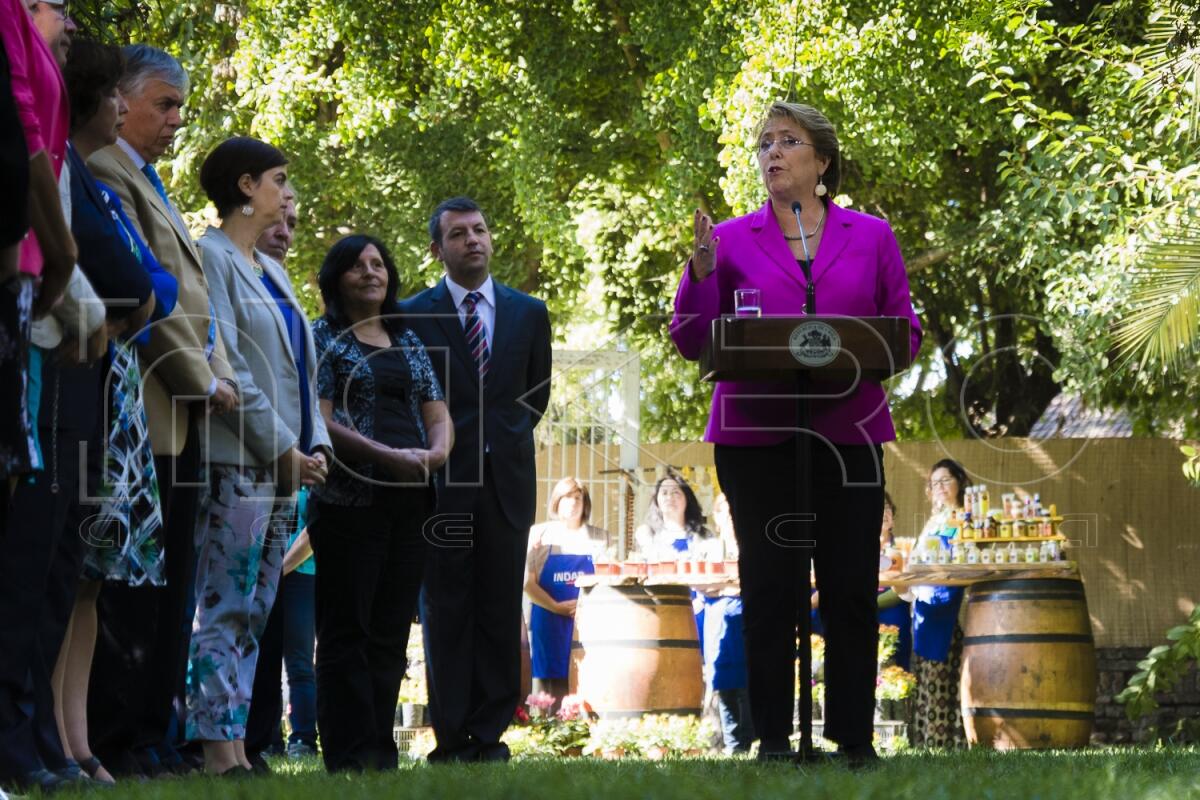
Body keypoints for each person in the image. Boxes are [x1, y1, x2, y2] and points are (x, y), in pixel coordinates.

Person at [670, 101, 922, 764]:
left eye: (788, 141)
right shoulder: (725, 240)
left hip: (849, 431)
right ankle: (774, 737)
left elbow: (906, 332)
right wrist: (698, 274)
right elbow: (691, 337)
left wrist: (868, 348)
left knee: (848, 584)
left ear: (823, 160)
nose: (772, 153)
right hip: (756, 437)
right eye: (764, 143)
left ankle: (854, 737)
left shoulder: (871, 236)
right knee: (770, 584)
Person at [86, 43, 239, 779]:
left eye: (180, 106)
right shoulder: (106, 170)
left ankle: (151, 731)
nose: (176, 120)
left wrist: (213, 373)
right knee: (131, 586)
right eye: (164, 104)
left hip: (183, 411)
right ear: (119, 97)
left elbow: (197, 303)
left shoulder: (147, 177)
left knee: (171, 583)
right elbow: (150, 301)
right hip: (150, 403)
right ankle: (120, 734)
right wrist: (199, 380)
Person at [46, 37, 177, 789]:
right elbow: (133, 281)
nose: (125, 109)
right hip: (93, 383)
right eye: (119, 98)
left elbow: (152, 286)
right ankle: (55, 741)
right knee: (66, 576)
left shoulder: (106, 181)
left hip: (117, 388)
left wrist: (142, 294)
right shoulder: (88, 173)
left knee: (90, 578)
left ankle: (78, 740)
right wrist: (140, 295)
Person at [188, 135, 330, 776]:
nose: (286, 192)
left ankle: (238, 741)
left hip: (282, 467)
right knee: (227, 602)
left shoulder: (269, 268)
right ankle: (217, 748)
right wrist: (282, 449)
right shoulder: (211, 256)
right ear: (246, 187)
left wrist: (315, 447)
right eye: (277, 179)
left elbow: (300, 366)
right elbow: (230, 364)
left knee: (258, 607)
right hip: (239, 463)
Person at [399, 196, 552, 763]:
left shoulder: (528, 312)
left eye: (480, 230)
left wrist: (501, 440)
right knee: (445, 607)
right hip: (442, 486)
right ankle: (451, 733)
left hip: (507, 482)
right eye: (459, 233)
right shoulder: (413, 314)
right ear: (438, 249)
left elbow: (536, 396)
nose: (474, 240)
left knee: (496, 607)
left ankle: (488, 735)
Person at [309, 234, 452, 772]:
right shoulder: (323, 338)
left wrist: (434, 454)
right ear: (337, 279)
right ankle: (346, 756)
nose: (371, 273)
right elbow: (320, 419)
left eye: (378, 264)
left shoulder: (408, 339)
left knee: (391, 631)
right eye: (357, 266)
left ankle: (379, 752)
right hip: (349, 499)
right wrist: (385, 454)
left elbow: (438, 412)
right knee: (348, 630)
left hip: (409, 502)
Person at [244, 195, 320, 764]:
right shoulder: (232, 272)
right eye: (279, 221)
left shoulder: (286, 294)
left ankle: (277, 737)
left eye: (293, 225)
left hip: (297, 549)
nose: (286, 233)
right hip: (247, 469)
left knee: (293, 652)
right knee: (242, 626)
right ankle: (238, 741)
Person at [880, 460, 967, 748]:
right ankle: (924, 743)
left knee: (940, 678)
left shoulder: (959, 519)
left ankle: (940, 744)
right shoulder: (934, 521)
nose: (940, 487)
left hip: (943, 606)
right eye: (934, 483)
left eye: (946, 480)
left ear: (959, 484)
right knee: (925, 680)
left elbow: (951, 559)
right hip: (923, 608)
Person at [524, 477, 612, 706]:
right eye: (566, 498)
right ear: (556, 502)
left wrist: (582, 609)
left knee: (586, 684)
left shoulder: (600, 538)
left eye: (577, 497)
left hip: (586, 624)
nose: (572, 503)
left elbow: (607, 579)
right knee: (549, 693)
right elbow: (527, 583)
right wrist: (555, 606)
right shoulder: (539, 535)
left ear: (585, 504)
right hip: (548, 622)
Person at [702, 493, 754, 754]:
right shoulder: (709, 548)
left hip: (747, 614)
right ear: (717, 517)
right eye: (724, 511)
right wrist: (730, 586)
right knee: (724, 681)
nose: (731, 517)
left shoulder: (753, 545)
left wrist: (726, 585)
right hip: (719, 618)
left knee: (749, 680)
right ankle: (732, 744)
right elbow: (702, 584)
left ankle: (751, 740)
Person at [633, 472, 715, 561]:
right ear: (657, 501)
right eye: (664, 493)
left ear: (687, 499)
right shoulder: (648, 535)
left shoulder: (704, 535)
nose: (669, 497)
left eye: (675, 492)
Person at [876, 493, 912, 671]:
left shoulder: (903, 548)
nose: (882, 511)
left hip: (893, 609)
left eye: (886, 507)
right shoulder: (855, 548)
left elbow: (907, 589)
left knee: (897, 618)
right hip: (860, 609)